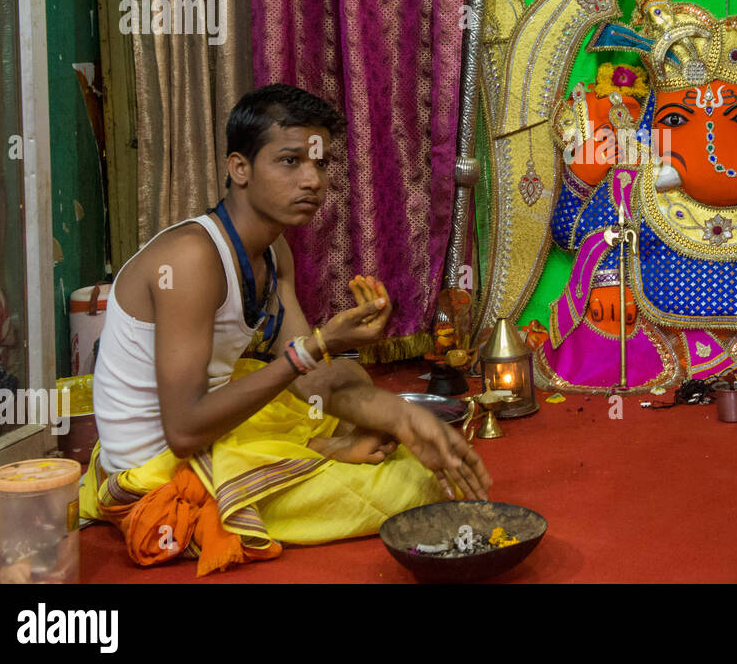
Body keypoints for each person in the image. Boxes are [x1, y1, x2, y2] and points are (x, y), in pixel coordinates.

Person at [81, 83, 491, 575]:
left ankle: (324, 449)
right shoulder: (191, 260)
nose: (313, 180)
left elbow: (314, 380)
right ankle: (316, 457)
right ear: (239, 169)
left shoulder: (274, 254)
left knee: (381, 433)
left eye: (320, 163)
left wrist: (406, 418)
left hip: (208, 425)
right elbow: (185, 430)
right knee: (400, 486)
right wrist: (319, 345)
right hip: (161, 465)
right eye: (291, 161)